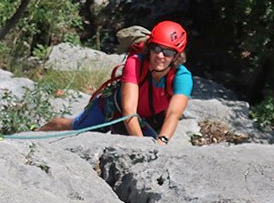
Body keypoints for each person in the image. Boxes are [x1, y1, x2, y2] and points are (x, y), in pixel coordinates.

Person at [37, 21, 193, 146]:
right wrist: (142, 145)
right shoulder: (135, 63)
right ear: (149, 47)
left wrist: (162, 141)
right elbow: (129, 110)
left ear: (177, 56)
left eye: (168, 52)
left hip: (142, 118)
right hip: (110, 108)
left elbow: (173, 114)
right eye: (156, 48)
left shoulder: (182, 77)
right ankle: (37, 132)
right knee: (76, 126)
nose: (160, 55)